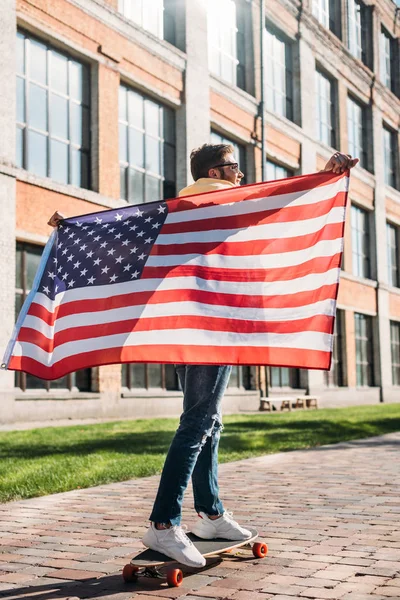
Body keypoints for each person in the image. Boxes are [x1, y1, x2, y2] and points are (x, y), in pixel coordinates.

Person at [48, 145, 359, 568]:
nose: (243, 174)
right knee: (197, 422)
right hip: (212, 330)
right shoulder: (220, 200)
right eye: (236, 166)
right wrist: (324, 176)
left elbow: (129, 236)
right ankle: (163, 525)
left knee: (208, 421)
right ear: (218, 171)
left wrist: (77, 231)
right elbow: (280, 202)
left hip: (189, 332)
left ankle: (210, 514)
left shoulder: (181, 206)